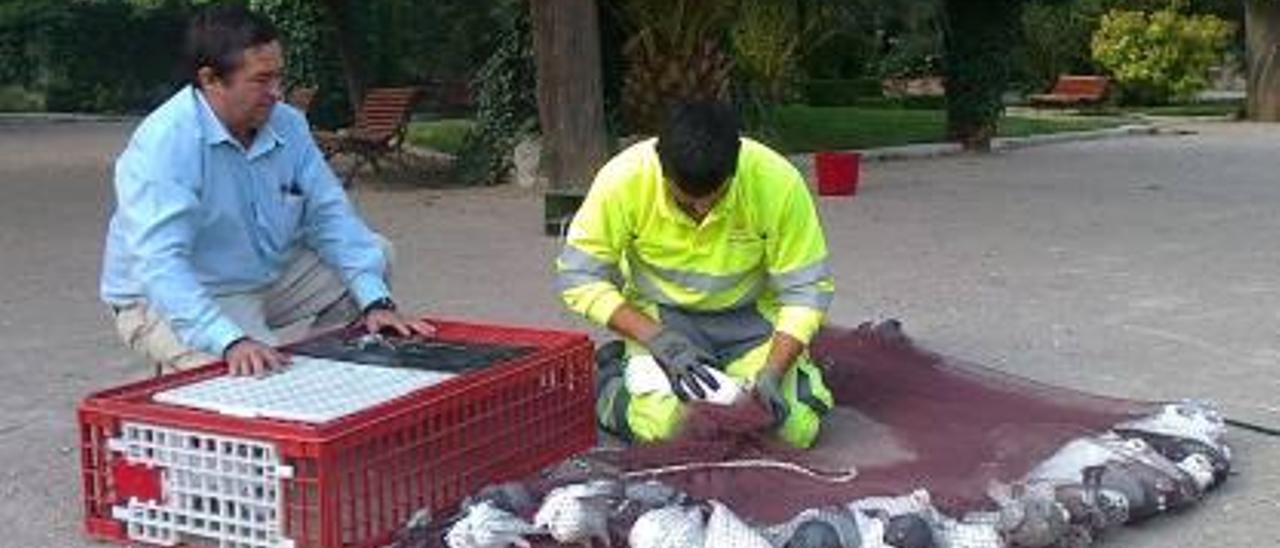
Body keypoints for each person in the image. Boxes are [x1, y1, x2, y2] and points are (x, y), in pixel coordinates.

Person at [100, 5, 432, 377]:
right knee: (261, 382)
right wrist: (230, 341)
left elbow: (329, 215)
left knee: (377, 255)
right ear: (210, 79)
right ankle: (199, 371)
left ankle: (329, 368)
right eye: (261, 80)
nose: (277, 93)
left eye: (279, 78)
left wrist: (376, 302)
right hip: (162, 298)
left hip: (261, 279)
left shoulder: (288, 125)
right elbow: (160, 266)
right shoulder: (165, 144)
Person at [555, 101, 836, 449]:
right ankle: (613, 379)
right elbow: (579, 277)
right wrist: (659, 341)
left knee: (792, 430)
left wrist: (773, 373)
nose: (701, 210)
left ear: (736, 164)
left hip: (751, 319)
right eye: (686, 202)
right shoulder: (623, 179)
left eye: (714, 199)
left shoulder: (777, 181)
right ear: (661, 164)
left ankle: (772, 376)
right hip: (660, 319)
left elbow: (806, 290)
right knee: (668, 430)